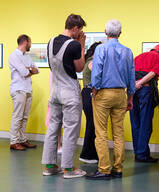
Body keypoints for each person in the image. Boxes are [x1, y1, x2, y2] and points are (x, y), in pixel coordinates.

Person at [86, 19, 135, 180]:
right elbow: (131, 76)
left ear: (106, 32)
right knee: (118, 133)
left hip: (103, 94)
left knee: (101, 132)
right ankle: (118, 169)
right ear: (120, 33)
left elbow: (97, 70)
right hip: (121, 94)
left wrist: (94, 88)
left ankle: (104, 169)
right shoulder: (127, 52)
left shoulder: (101, 48)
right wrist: (130, 97)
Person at [41, 13, 87, 179]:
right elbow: (80, 68)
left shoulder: (51, 41)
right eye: (80, 29)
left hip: (55, 92)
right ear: (75, 28)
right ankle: (68, 169)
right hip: (69, 92)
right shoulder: (74, 45)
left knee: (53, 129)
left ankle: (49, 166)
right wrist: (82, 46)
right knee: (70, 130)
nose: (80, 33)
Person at [130, 44, 159, 163]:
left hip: (133, 90)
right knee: (146, 123)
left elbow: (130, 72)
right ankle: (142, 155)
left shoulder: (139, 56)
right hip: (145, 89)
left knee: (135, 123)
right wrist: (140, 82)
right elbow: (153, 73)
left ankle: (139, 152)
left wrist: (134, 85)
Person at [9, 34, 39, 151]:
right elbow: (24, 72)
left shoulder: (27, 56)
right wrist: (29, 70)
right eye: (30, 42)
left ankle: (22, 140)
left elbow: (37, 69)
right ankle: (14, 142)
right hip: (18, 90)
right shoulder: (13, 56)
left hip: (27, 89)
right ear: (26, 42)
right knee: (18, 117)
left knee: (25, 117)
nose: (30, 45)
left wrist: (28, 69)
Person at [79, 41, 102, 164]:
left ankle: (90, 153)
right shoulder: (93, 62)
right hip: (89, 94)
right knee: (92, 124)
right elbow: (98, 77)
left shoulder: (89, 60)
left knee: (92, 124)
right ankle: (88, 155)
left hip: (87, 94)